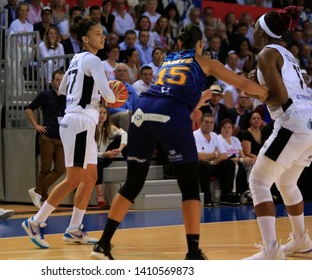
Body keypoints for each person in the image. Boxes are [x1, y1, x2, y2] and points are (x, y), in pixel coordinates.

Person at [91, 23, 268, 260]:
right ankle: (193, 251)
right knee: (190, 187)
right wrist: (269, 94)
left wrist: (196, 100)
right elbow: (244, 85)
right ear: (200, 45)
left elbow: (166, 95)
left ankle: (103, 244)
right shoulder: (205, 61)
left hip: (141, 111)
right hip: (169, 114)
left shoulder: (168, 60)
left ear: (180, 44)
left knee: (133, 183)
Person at [22, 16, 117, 248]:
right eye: (97, 33)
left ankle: (74, 228)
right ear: (85, 39)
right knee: (74, 178)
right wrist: (112, 91)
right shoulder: (94, 61)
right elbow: (111, 97)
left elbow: (63, 88)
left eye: (103, 34)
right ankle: (36, 221)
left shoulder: (75, 59)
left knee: (91, 176)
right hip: (80, 123)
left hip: (80, 121)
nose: (102, 37)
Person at [243, 7, 312, 260]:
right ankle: (302, 241)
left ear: (261, 30)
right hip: (310, 122)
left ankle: (271, 251)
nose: (251, 30)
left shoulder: (265, 53)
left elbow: (280, 98)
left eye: (254, 27)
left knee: (259, 182)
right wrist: (259, 82)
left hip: (293, 121)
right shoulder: (287, 55)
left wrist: (252, 90)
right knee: (287, 182)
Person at [26, 69, 66, 208]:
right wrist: (36, 125)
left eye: (62, 79)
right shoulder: (45, 95)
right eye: (57, 80)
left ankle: (37, 191)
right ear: (52, 81)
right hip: (47, 136)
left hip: (62, 137)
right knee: (45, 168)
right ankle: (43, 196)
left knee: (61, 168)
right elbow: (29, 108)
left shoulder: (68, 96)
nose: (60, 82)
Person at [94, 105, 127, 208]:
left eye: (104, 113)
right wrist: (104, 154)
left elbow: (124, 134)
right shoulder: (90, 128)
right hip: (92, 160)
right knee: (98, 160)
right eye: (100, 113)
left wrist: (120, 149)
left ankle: (131, 169)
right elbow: (88, 153)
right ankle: (99, 196)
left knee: (122, 139)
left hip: (105, 157)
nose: (102, 115)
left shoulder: (109, 127)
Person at [217, 118, 254, 204]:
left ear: (232, 129)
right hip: (225, 163)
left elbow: (243, 155)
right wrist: (241, 159)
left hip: (238, 161)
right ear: (221, 129)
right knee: (235, 165)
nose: (227, 129)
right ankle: (232, 193)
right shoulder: (219, 139)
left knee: (252, 164)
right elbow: (225, 157)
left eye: (229, 127)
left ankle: (249, 191)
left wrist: (249, 160)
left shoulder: (235, 139)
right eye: (224, 127)